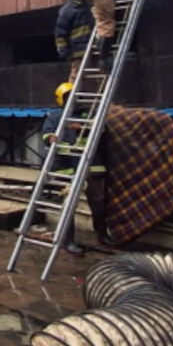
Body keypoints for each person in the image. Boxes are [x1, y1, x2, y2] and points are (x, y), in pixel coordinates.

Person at [40, 82, 109, 255]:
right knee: (68, 206)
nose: (73, 100)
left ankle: (102, 234)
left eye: (75, 96)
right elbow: (46, 133)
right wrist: (51, 138)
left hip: (90, 165)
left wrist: (84, 128)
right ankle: (68, 240)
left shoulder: (88, 113)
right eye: (68, 97)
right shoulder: (55, 115)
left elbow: (102, 129)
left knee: (99, 202)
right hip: (67, 167)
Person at [54, 0, 95, 82]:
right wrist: (63, 51)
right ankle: (71, 91)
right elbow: (60, 34)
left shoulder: (87, 6)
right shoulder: (66, 11)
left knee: (98, 73)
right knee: (76, 76)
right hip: (78, 50)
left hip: (93, 46)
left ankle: (102, 92)